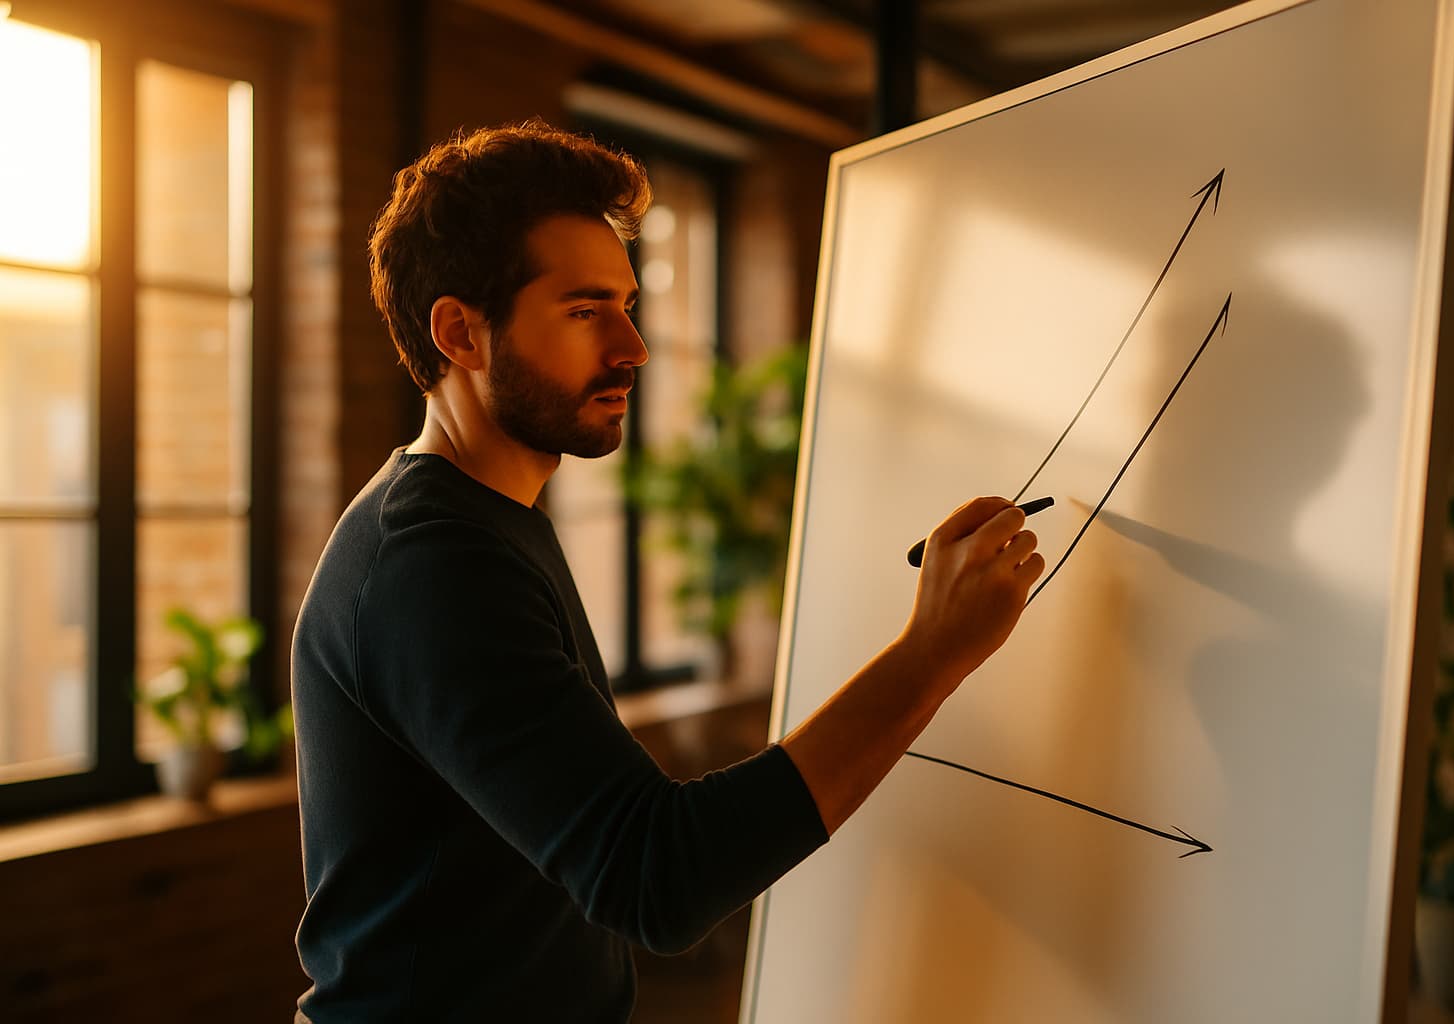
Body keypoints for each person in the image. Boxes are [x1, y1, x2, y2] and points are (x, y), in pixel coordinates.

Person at [290, 119, 1045, 1022]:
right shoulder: (429, 565)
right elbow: (656, 876)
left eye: (627, 304)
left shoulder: (485, 522)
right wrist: (931, 654)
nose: (632, 347)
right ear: (460, 333)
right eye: (583, 312)